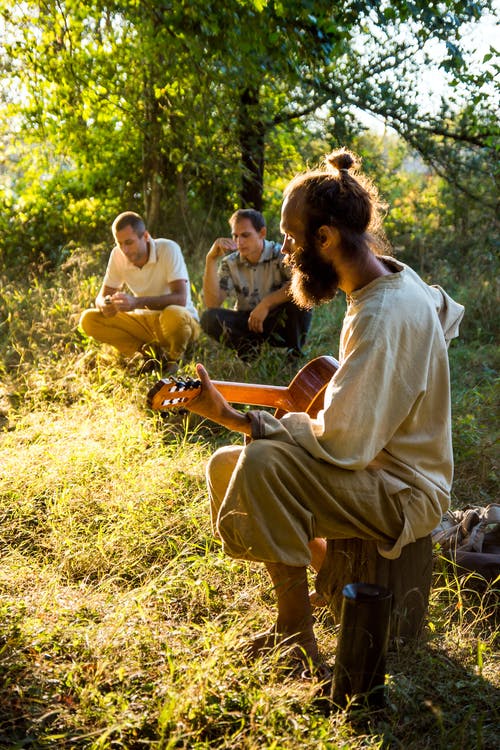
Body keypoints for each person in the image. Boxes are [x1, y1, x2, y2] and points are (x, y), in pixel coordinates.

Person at [180, 148, 464, 671]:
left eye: (290, 235)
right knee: (225, 464)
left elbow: (342, 442)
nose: (284, 249)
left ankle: (295, 633)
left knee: (261, 462)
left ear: (326, 238)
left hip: (405, 490)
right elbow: (448, 311)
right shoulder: (395, 278)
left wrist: (234, 416)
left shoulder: (383, 313)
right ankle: (332, 577)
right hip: (375, 468)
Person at [80, 212, 200, 374]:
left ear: (145, 236)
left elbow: (180, 298)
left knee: (175, 315)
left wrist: (136, 302)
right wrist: (107, 304)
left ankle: (174, 359)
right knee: (89, 319)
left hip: (179, 320)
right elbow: (101, 297)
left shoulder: (168, 249)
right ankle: (149, 354)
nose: (124, 249)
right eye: (119, 243)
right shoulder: (117, 255)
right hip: (145, 322)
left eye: (129, 242)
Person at [201, 208, 312, 359]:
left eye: (245, 235)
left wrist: (266, 304)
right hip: (248, 321)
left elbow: (301, 284)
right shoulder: (230, 263)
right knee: (209, 318)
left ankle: (293, 353)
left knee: (299, 301)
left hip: (277, 319)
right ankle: (250, 353)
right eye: (235, 236)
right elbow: (212, 303)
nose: (239, 242)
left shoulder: (279, 253)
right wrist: (211, 260)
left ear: (262, 233)